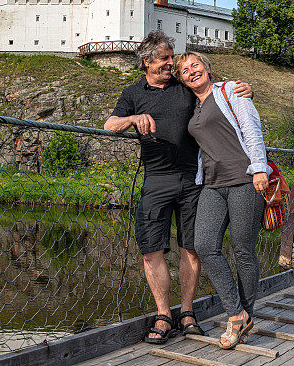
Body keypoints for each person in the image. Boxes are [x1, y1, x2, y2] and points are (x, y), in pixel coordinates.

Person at [104, 31, 252, 344]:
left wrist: (243, 89)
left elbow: (214, 88)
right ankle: (163, 315)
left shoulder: (182, 86)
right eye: (165, 60)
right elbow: (109, 125)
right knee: (151, 249)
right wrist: (133, 118)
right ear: (147, 62)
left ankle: (187, 313)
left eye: (173, 59)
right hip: (156, 179)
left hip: (192, 178)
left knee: (192, 247)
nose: (172, 64)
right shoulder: (133, 92)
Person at [174, 51, 270, 350]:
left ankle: (243, 317)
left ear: (207, 67)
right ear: (182, 79)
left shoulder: (230, 91)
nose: (191, 71)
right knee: (204, 245)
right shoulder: (192, 107)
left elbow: (252, 130)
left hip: (244, 178)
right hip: (212, 184)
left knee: (243, 249)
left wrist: (259, 168)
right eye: (184, 70)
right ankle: (236, 312)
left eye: (195, 65)